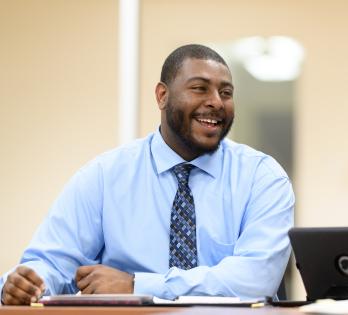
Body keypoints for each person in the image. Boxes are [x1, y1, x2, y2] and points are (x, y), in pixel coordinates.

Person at [0, 44, 295, 305]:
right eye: (200, 88)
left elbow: (255, 280)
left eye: (226, 92)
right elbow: (52, 262)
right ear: (162, 95)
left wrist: (136, 285)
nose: (216, 101)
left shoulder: (262, 177)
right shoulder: (105, 176)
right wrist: (27, 283)